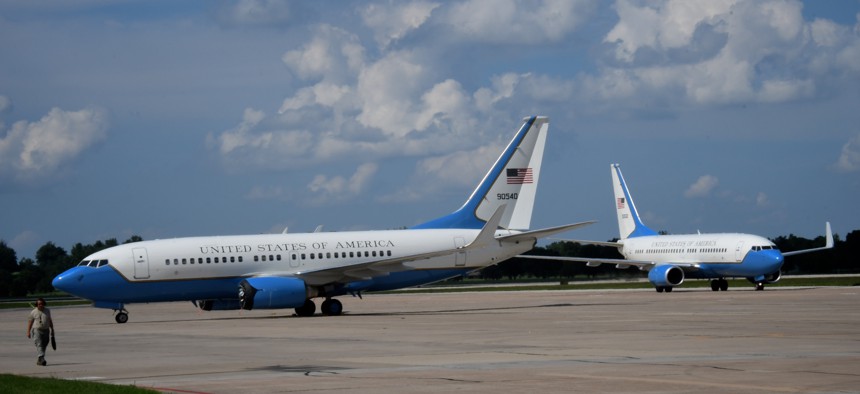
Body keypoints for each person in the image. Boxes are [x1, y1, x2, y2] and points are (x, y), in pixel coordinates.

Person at [26, 297, 54, 366]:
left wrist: (52, 329)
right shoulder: (33, 312)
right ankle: (42, 358)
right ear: (36, 305)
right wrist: (28, 332)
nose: (40, 305)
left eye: (42, 304)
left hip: (46, 330)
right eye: (39, 304)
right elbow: (30, 322)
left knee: (45, 344)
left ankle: (40, 359)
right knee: (39, 344)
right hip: (37, 330)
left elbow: (49, 320)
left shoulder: (47, 310)